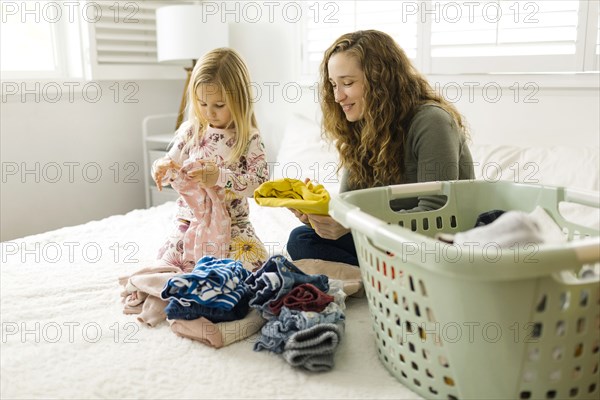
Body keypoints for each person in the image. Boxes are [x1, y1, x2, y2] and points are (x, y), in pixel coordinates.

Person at [286, 30, 475, 266]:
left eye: (347, 83)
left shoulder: (431, 122)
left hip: (433, 243)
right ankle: (378, 278)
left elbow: (435, 216)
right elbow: (350, 205)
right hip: (386, 240)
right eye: (334, 85)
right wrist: (316, 215)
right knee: (300, 239)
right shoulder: (362, 127)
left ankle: (370, 277)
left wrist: (351, 223)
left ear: (380, 81)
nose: (337, 96)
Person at [152, 48, 269, 272]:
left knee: (251, 271)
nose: (209, 113)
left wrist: (219, 177)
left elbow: (260, 184)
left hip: (234, 225)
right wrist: (160, 167)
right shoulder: (191, 131)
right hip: (190, 222)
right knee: (169, 270)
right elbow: (171, 166)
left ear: (239, 100)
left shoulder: (249, 138)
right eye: (202, 104)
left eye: (219, 105)